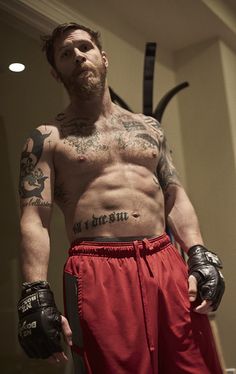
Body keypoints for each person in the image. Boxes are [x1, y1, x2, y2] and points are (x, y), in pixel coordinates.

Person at [17, 22, 225, 374]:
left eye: (85, 47)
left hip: (164, 258)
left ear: (104, 57)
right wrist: (34, 290)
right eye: (66, 54)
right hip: (99, 268)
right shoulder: (46, 138)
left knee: (192, 366)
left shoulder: (149, 128)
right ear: (56, 73)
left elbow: (174, 194)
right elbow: (35, 220)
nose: (78, 57)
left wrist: (199, 252)